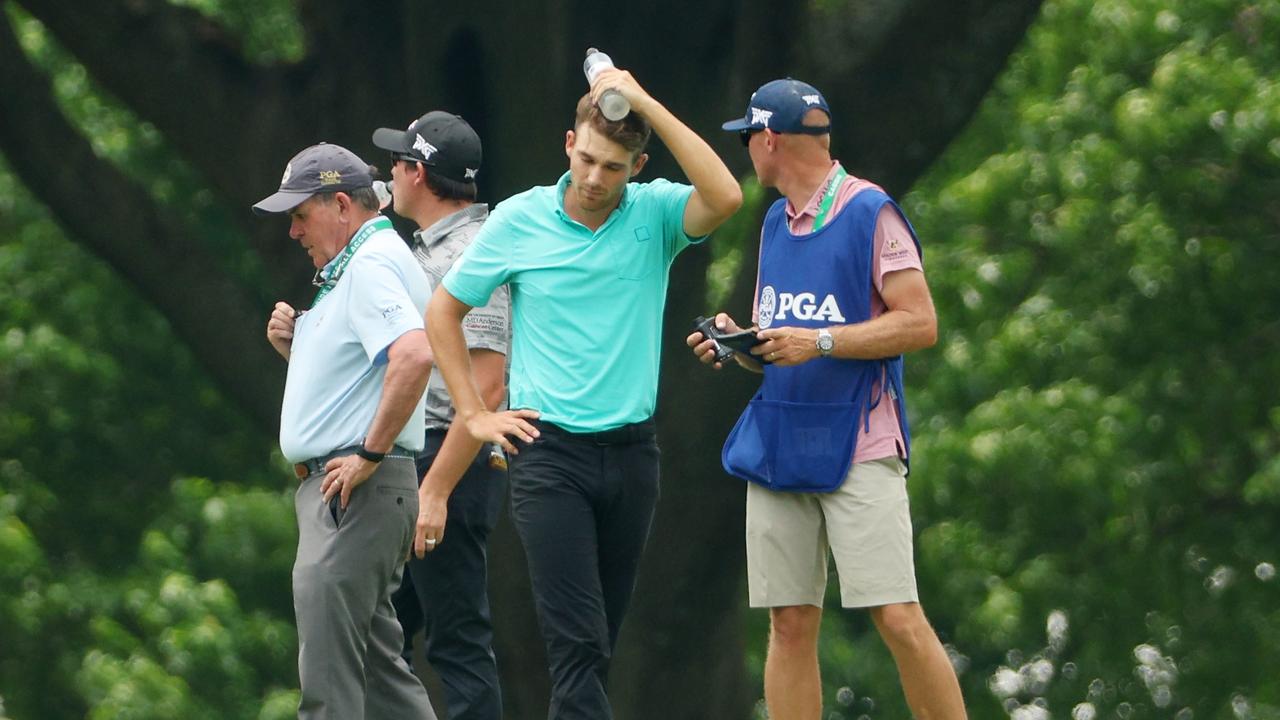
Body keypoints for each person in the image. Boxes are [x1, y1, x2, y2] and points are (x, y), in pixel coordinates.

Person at [425, 65, 743, 720]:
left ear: (638, 165)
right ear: (569, 144)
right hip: (549, 457)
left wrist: (647, 99)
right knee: (578, 644)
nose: (597, 179)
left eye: (615, 167)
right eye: (589, 159)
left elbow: (727, 195)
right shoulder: (519, 220)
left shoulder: (654, 213)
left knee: (597, 650)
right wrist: (473, 413)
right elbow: (443, 312)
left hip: (632, 457)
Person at [688, 78, 967, 720]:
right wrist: (740, 343)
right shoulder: (773, 226)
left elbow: (919, 323)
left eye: (748, 139)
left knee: (896, 615)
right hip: (782, 444)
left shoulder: (871, 212)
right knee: (788, 621)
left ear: (769, 140)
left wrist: (816, 341)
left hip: (860, 444)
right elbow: (785, 341)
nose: (748, 152)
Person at [256, 143, 437, 720]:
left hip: (351, 490)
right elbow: (362, 378)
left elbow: (413, 355)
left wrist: (368, 452)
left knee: (329, 685)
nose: (293, 232)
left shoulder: (370, 264)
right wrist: (298, 349)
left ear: (340, 204)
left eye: (300, 215)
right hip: (359, 491)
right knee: (381, 677)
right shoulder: (362, 262)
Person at [370, 111, 509, 720]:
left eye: (397, 162)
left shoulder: (473, 253)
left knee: (457, 643)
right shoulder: (427, 249)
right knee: (378, 635)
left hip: (450, 460)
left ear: (418, 173)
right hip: (421, 457)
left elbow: (486, 386)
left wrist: (436, 489)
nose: (389, 173)